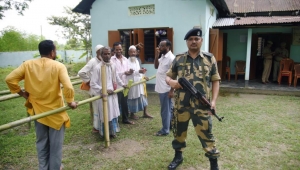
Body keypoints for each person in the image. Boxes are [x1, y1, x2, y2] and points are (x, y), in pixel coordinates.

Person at [5, 40, 77, 170]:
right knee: (55, 146)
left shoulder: (27, 64)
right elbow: (68, 86)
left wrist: (21, 93)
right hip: (55, 112)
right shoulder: (58, 66)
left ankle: (43, 168)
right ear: (52, 52)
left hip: (38, 112)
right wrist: (70, 101)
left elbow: (9, 79)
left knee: (41, 143)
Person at [165, 28, 221, 170]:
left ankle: (213, 163)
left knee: (207, 135)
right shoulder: (178, 58)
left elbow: (216, 80)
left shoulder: (209, 59)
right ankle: (178, 157)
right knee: (179, 133)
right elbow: (168, 76)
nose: (193, 42)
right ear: (187, 42)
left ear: (201, 40)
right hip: (181, 105)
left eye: (196, 39)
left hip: (202, 106)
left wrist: (213, 102)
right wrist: (172, 83)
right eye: (190, 39)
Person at [90, 46, 126, 138]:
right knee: (105, 114)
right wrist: (103, 90)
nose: (107, 56)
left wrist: (122, 84)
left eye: (108, 53)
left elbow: (116, 76)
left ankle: (112, 132)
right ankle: (105, 134)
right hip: (103, 94)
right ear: (101, 55)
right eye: (104, 54)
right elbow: (93, 83)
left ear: (111, 54)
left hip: (113, 93)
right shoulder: (98, 67)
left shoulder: (113, 65)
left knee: (113, 113)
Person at [78, 44, 103, 132]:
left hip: (103, 88)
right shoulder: (93, 61)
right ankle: (96, 127)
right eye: (100, 51)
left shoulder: (104, 60)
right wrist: (89, 81)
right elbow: (81, 72)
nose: (102, 53)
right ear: (97, 52)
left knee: (103, 108)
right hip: (95, 89)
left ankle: (103, 126)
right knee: (96, 109)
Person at [154, 39, 175, 136]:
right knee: (169, 108)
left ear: (168, 47)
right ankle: (170, 126)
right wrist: (156, 55)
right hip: (161, 87)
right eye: (159, 45)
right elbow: (156, 66)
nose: (159, 47)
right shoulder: (162, 56)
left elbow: (174, 75)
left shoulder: (171, 58)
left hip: (166, 88)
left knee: (165, 110)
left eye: (162, 46)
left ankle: (165, 130)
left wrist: (172, 90)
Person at [111, 42, 135, 125]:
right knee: (116, 103)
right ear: (114, 50)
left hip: (125, 84)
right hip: (117, 86)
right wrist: (124, 73)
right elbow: (115, 74)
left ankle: (125, 119)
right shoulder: (111, 60)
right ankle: (115, 122)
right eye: (117, 49)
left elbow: (127, 71)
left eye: (120, 49)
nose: (119, 51)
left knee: (125, 103)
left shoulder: (125, 59)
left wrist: (130, 72)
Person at [126, 45, 153, 119]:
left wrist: (143, 75)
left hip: (139, 82)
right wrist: (139, 71)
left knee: (143, 96)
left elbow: (139, 71)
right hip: (132, 83)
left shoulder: (137, 61)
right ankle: (132, 114)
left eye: (134, 52)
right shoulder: (126, 61)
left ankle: (145, 113)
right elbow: (129, 72)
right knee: (132, 98)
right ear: (128, 53)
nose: (133, 53)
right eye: (131, 52)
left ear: (136, 52)